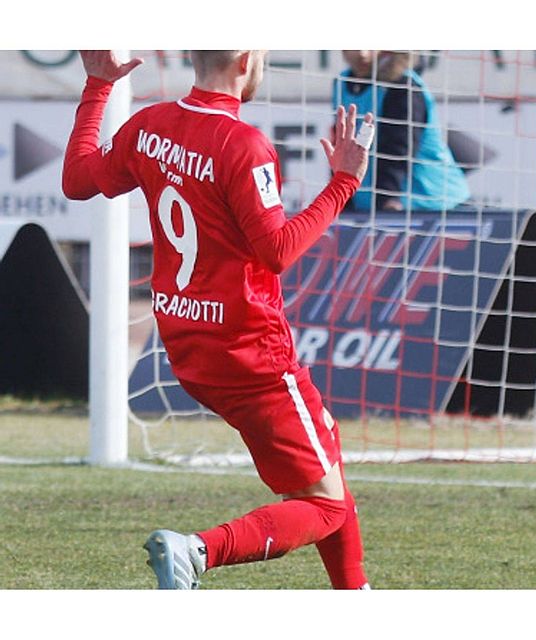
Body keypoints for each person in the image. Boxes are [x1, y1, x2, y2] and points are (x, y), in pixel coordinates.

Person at [62, 50, 374, 590]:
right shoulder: (243, 144)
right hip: (251, 352)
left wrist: (97, 87)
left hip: (187, 347)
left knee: (325, 450)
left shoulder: (149, 125)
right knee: (325, 505)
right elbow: (276, 250)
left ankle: (355, 592)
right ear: (247, 58)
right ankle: (196, 551)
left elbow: (76, 180)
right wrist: (343, 183)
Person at [332, 50, 470, 212]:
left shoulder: (403, 86)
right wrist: (340, 201)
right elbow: (341, 149)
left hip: (436, 205)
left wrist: (386, 199)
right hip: (373, 207)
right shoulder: (341, 83)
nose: (363, 53)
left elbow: (398, 151)